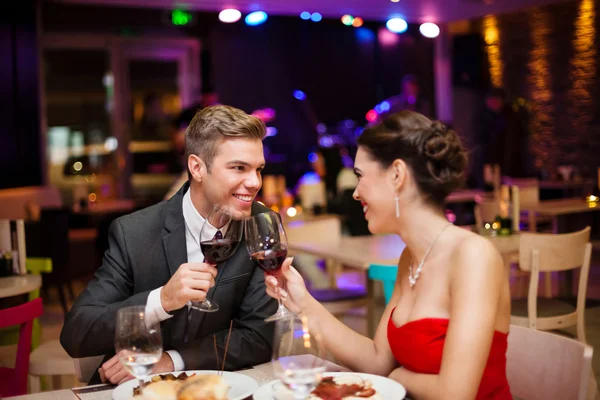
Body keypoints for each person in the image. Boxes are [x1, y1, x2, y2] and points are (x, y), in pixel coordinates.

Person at [267, 110, 512, 399]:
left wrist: (397, 376)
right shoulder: (411, 256)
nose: (356, 193)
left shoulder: (473, 256)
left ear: (397, 175)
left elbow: (454, 394)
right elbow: (377, 360)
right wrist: (302, 302)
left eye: (360, 176)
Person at [61, 105, 277, 384]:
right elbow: (76, 333)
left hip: (222, 388)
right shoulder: (134, 233)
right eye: (239, 168)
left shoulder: (261, 224)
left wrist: (171, 361)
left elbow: (260, 336)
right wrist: (161, 300)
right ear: (197, 167)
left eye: (258, 169)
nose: (254, 182)